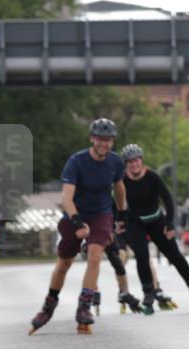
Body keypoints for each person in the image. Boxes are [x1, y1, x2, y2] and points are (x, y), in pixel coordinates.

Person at [29, 118, 128, 335]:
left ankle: (84, 306)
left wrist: (121, 214)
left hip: (101, 214)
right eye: (101, 139)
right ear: (92, 139)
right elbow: (66, 197)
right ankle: (48, 306)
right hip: (75, 214)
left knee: (95, 253)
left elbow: (119, 187)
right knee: (64, 263)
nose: (104, 144)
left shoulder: (115, 162)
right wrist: (77, 221)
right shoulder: (76, 161)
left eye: (109, 140)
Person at [120, 143, 189, 313]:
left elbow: (168, 200)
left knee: (175, 256)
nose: (134, 164)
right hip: (135, 222)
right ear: (126, 164)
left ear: (141, 161)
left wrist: (170, 224)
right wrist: (118, 222)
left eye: (136, 161)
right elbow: (116, 202)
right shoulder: (122, 180)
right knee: (142, 255)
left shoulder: (152, 177)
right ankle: (148, 292)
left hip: (157, 220)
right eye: (130, 162)